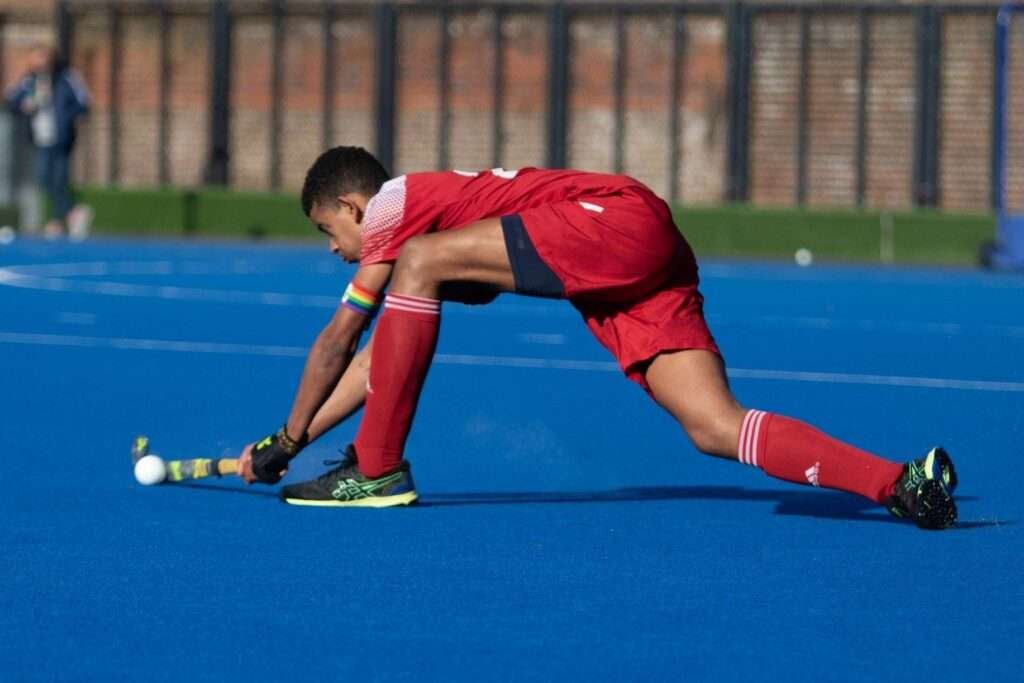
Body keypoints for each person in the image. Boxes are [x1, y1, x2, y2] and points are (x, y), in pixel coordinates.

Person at [238, 146, 958, 529]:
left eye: (329, 231)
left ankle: (378, 470)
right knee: (712, 425)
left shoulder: (394, 211)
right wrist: (288, 439)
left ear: (352, 205)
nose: (334, 249)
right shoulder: (418, 245)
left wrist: (289, 439)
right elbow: (378, 365)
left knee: (421, 264)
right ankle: (900, 482)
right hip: (637, 255)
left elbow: (338, 340)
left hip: (609, 218)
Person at [6, 38, 92, 240]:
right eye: (35, 57)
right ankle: (68, 214)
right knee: (44, 177)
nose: (39, 62)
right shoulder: (29, 81)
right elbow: (11, 99)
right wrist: (24, 105)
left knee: (58, 178)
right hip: (40, 137)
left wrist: (70, 118)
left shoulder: (66, 78)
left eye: (42, 57)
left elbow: (83, 101)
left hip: (61, 137)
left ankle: (61, 218)